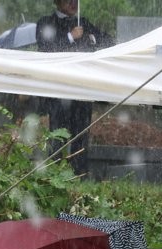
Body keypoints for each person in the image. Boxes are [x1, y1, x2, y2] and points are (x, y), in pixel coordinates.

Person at [36, 0, 112, 175]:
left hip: (81, 90)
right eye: (68, 0)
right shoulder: (46, 23)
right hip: (58, 90)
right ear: (57, 2)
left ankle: (80, 174)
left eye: (75, 0)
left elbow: (107, 41)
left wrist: (93, 38)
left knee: (81, 134)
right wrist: (70, 37)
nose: (73, 3)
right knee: (57, 135)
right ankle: (54, 174)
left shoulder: (84, 23)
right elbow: (46, 48)